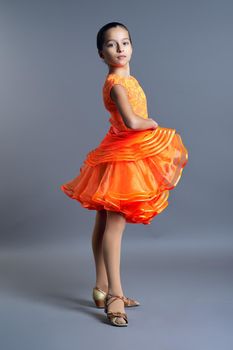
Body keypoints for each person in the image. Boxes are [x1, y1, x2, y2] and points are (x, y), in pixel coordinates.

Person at [60, 22, 188, 327]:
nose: (120, 49)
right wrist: (152, 123)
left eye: (125, 43)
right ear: (100, 54)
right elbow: (131, 122)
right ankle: (115, 295)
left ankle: (101, 287)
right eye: (111, 45)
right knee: (113, 225)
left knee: (104, 220)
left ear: (131, 46)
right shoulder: (117, 84)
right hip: (123, 156)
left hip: (119, 150)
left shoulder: (125, 79)